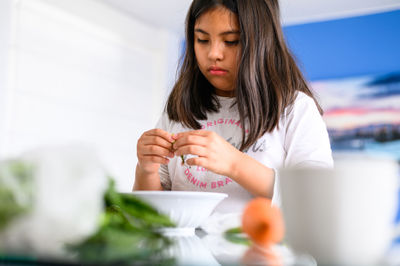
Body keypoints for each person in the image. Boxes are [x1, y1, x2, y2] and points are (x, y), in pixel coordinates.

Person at [133, 0, 333, 213]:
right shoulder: (180, 109)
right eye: (202, 39)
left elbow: (316, 197)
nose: (213, 54)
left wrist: (235, 164)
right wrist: (146, 170)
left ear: (262, 42)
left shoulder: (296, 109)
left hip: (261, 246)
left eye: (231, 41)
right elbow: (148, 214)